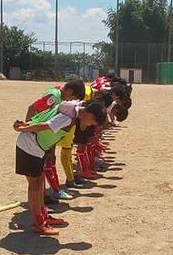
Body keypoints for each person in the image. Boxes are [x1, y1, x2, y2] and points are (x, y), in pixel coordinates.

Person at [14, 98, 107, 236]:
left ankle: (43, 216)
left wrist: (26, 125)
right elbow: (45, 125)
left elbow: (46, 115)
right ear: (90, 115)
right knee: (35, 185)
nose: (89, 125)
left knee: (39, 183)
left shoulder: (73, 105)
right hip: (30, 146)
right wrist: (23, 128)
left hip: (35, 146)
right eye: (92, 123)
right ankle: (39, 223)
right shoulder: (68, 118)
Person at [25, 79, 85, 202]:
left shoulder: (57, 92)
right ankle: (42, 196)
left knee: (46, 162)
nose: (70, 101)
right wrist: (28, 128)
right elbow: (33, 108)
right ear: (69, 91)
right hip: (36, 135)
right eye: (72, 98)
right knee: (40, 166)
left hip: (42, 134)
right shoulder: (54, 96)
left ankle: (46, 193)